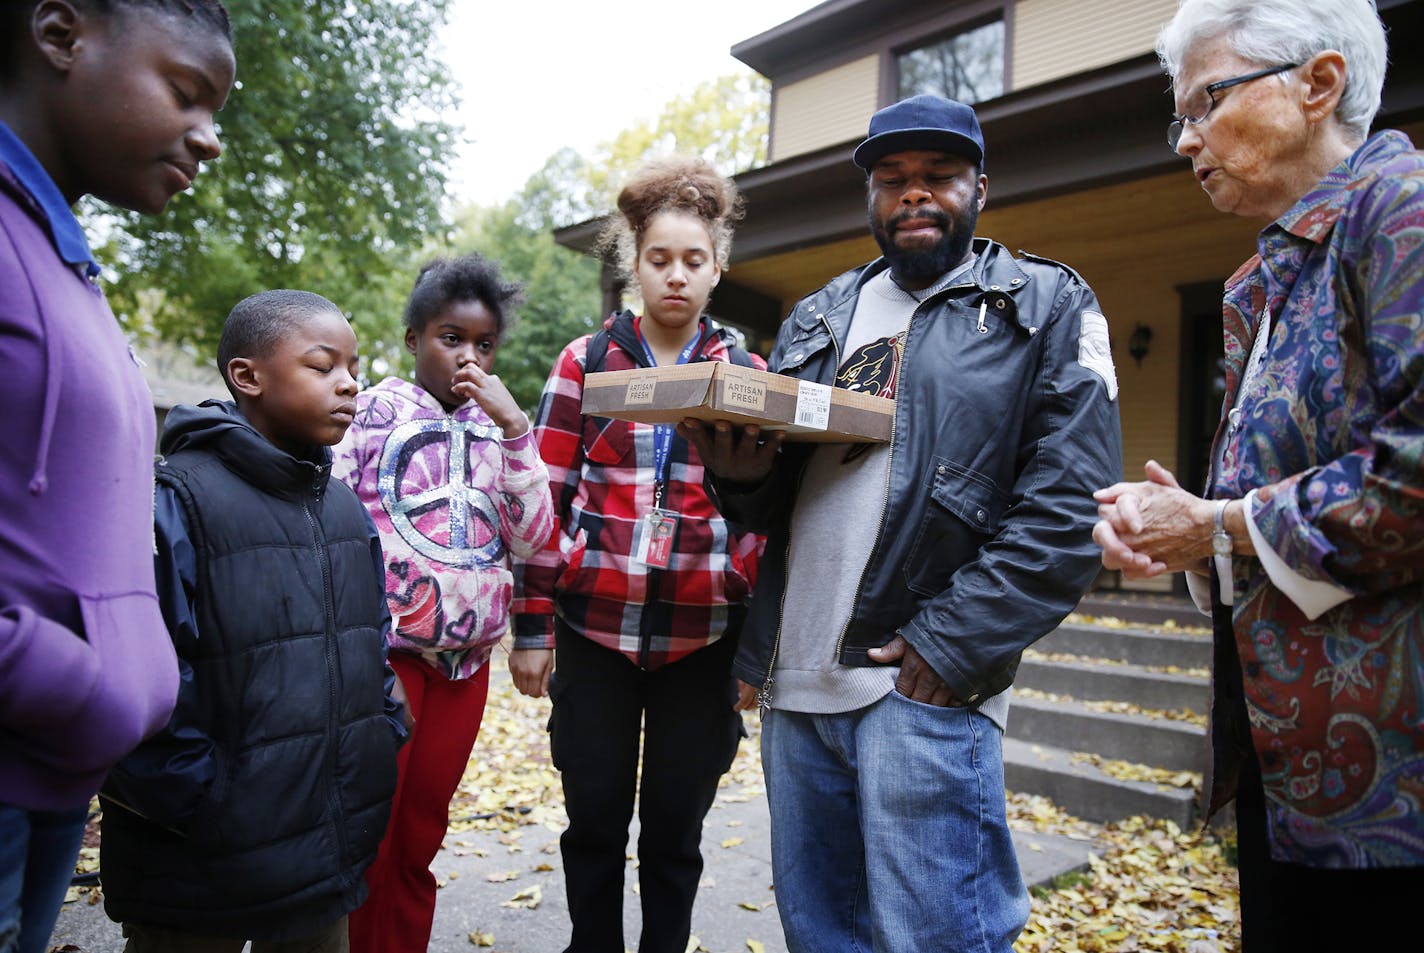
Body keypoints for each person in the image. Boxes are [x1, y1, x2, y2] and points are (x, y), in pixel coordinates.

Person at [681, 94, 1123, 953]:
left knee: (938, 939)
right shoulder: (820, 314)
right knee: (823, 937)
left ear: (980, 188)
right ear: (871, 199)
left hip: (919, 683)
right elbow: (787, 498)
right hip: (798, 684)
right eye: (893, 180)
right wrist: (742, 479)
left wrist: (953, 643)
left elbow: (1070, 504)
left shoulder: (1043, 304)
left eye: (939, 176)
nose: (914, 194)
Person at [1092, 0, 1424, 947]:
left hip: (1399, 788)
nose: (1187, 138)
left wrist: (1216, 526)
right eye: (1180, 114)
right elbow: (1261, 509)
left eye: (1207, 100)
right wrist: (1189, 531)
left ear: (1318, 84)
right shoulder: (1263, 280)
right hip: (1292, 772)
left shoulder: (1403, 212)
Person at [0, 2, 235, 951]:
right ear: (61, 35)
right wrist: (70, 677)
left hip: (52, 785)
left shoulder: (60, 260)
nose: (211, 139)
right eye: (187, 92)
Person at [97, 291, 407, 952]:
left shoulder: (347, 511)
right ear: (248, 376)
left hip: (324, 857)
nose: (350, 382)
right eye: (324, 366)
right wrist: (198, 804)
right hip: (196, 868)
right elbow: (134, 678)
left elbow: (370, 645)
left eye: (355, 366)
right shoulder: (173, 502)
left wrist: (382, 732)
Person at [512, 156, 764, 953]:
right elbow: (541, 500)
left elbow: (764, 520)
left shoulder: (748, 375)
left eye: (694, 260)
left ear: (717, 269)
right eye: (660, 258)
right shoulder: (585, 362)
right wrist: (530, 626)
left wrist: (754, 636)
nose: (677, 276)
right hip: (596, 633)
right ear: (635, 264)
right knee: (593, 819)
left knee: (674, 831)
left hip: (704, 639)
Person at [335, 254, 554, 953]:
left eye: (483, 344)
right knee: (370, 826)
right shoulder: (369, 413)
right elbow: (330, 513)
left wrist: (518, 429)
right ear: (413, 339)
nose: (468, 355)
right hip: (382, 661)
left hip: (465, 667)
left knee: (423, 828)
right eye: (450, 337)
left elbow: (534, 536)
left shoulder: (501, 429)